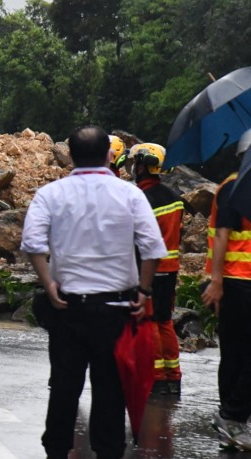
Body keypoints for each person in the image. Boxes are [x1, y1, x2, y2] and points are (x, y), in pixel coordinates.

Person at [21, 125, 166, 459]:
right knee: (110, 390)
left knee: (64, 387)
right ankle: (108, 450)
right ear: (109, 155)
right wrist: (143, 290)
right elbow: (153, 247)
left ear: (70, 154)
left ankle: (56, 450)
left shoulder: (51, 194)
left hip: (66, 308)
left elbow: (32, 244)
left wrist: (49, 283)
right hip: (115, 309)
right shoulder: (130, 194)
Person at [202, 128, 251, 451]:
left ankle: (232, 417)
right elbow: (222, 236)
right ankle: (232, 416)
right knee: (234, 352)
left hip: (240, 284)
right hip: (236, 283)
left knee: (236, 353)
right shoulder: (234, 187)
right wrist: (216, 281)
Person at [128, 142, 184, 395]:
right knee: (165, 322)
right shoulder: (174, 198)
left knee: (151, 322)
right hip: (170, 268)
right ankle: (173, 376)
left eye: (135, 163)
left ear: (142, 166)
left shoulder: (143, 199)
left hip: (150, 269)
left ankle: (158, 377)